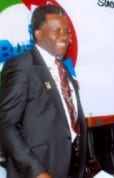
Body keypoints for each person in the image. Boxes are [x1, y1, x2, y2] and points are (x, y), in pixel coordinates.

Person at [0, 5, 87, 178]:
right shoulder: (22, 66)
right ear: (38, 34)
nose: (65, 37)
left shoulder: (64, 69)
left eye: (67, 32)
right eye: (57, 31)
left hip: (70, 167)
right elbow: (5, 125)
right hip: (38, 170)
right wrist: (37, 172)